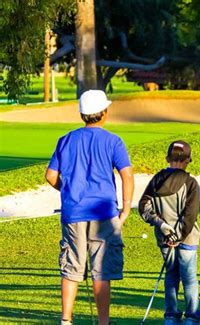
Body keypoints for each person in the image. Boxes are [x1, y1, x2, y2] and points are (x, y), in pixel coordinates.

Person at [45, 90, 134, 325]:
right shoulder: (114, 141)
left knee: (72, 266)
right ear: (104, 113)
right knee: (101, 269)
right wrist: (125, 209)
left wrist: (67, 190)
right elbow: (127, 175)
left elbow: (51, 175)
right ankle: (103, 322)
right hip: (104, 211)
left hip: (73, 211)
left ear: (82, 114)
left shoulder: (66, 140)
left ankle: (66, 320)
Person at [138, 140, 200, 325]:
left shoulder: (156, 180)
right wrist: (179, 236)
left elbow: (144, 207)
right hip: (187, 237)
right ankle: (192, 317)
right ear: (187, 160)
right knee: (189, 277)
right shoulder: (190, 183)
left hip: (164, 238)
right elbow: (190, 215)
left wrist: (161, 225)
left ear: (169, 159)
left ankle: (171, 316)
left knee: (171, 275)